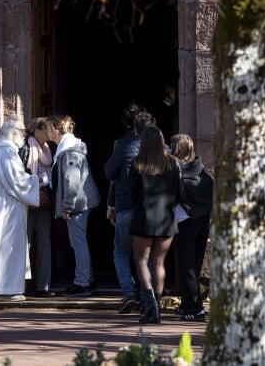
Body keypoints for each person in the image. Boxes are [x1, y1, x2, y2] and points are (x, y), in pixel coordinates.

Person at [129, 125, 183, 323]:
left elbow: (133, 193)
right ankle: (157, 305)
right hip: (166, 218)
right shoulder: (173, 164)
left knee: (141, 261)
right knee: (159, 263)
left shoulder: (137, 164)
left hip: (144, 216)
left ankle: (150, 303)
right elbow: (180, 192)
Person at [104, 104, 155, 314]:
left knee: (121, 252)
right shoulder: (161, 147)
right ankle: (148, 300)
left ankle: (128, 293)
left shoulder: (122, 145)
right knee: (148, 256)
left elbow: (109, 172)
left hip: (125, 207)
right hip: (152, 209)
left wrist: (112, 204)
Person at [0, 119, 41, 301]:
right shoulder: (7, 152)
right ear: (14, 132)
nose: (25, 135)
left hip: (1, 205)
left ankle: (1, 288)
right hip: (7, 209)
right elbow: (16, 181)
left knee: (1, 247)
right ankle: (6, 289)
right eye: (23, 131)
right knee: (8, 247)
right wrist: (35, 180)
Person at [46, 114, 100, 297]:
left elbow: (71, 181)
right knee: (79, 242)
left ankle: (82, 283)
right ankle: (88, 280)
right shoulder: (67, 148)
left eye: (48, 128)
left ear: (56, 129)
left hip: (77, 204)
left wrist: (67, 206)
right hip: (80, 202)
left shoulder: (69, 151)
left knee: (78, 242)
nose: (46, 131)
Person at [170, 133, 214, 322]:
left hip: (185, 222)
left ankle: (196, 309)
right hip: (202, 222)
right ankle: (187, 304)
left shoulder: (176, 171)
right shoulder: (202, 172)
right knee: (194, 265)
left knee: (186, 266)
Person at [18, 117, 56, 297]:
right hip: (28, 200)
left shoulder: (47, 150)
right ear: (37, 131)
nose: (49, 133)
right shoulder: (26, 148)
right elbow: (20, 175)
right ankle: (21, 285)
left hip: (44, 200)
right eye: (46, 129)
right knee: (25, 243)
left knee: (44, 242)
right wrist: (37, 182)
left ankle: (43, 286)